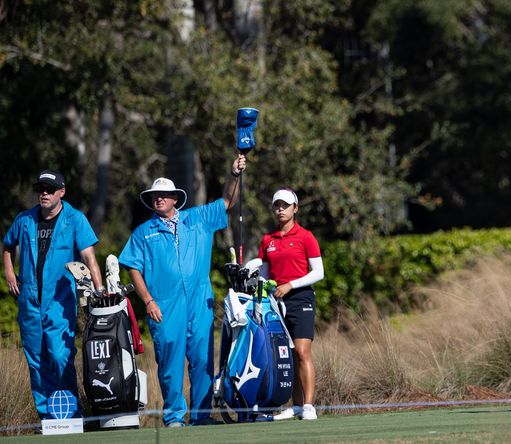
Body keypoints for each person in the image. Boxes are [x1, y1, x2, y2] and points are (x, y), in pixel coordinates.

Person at [118, 154, 246, 427]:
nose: (159, 199)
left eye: (164, 195)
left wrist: (234, 174)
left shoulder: (198, 218)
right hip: (164, 305)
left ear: (176, 198)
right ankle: (175, 417)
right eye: (155, 196)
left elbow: (227, 202)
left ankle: (201, 417)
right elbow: (132, 267)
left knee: (201, 361)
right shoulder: (143, 232)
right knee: (169, 364)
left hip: (200, 302)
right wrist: (148, 300)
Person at [3, 170, 104, 419]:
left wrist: (99, 290)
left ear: (62, 192)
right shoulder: (25, 219)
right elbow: (7, 246)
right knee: (36, 361)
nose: (44, 194)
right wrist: (9, 273)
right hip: (29, 300)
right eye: (40, 189)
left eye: (49, 189)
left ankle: (70, 414)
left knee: (60, 356)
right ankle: (47, 417)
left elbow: (89, 256)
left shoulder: (75, 219)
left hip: (60, 300)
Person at [258, 188, 324, 421]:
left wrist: (291, 286)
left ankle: (308, 405)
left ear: (295, 208)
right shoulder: (268, 240)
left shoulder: (306, 236)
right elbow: (266, 274)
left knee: (303, 352)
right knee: (288, 354)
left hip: (301, 299)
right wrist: (260, 283)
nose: (280, 210)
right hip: (276, 301)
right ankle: (296, 405)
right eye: (277, 205)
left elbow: (318, 273)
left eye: (285, 205)